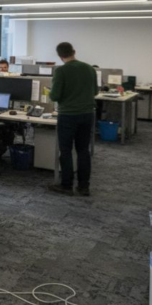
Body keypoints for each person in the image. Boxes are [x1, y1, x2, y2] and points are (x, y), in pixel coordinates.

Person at [48, 42, 97, 196]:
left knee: (66, 151)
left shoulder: (61, 71)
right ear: (74, 51)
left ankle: (66, 185)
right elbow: (95, 91)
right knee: (83, 150)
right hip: (87, 114)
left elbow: (55, 96)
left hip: (68, 115)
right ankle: (84, 187)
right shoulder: (90, 68)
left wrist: (51, 93)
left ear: (59, 56)